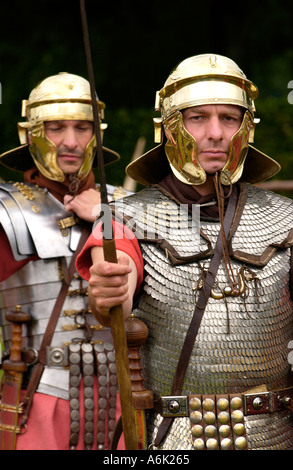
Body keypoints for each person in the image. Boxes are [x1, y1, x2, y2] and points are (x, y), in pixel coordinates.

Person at [76, 54, 293, 450]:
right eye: (197, 118)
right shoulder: (123, 217)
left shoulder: (286, 218)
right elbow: (114, 284)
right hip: (174, 438)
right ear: (170, 128)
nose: (215, 133)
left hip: (276, 433)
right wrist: (110, 292)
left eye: (229, 118)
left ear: (247, 127)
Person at [0, 72, 128, 450]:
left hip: (124, 399)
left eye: (83, 128)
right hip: (38, 396)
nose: (70, 142)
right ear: (31, 134)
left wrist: (109, 214)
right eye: (55, 128)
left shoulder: (129, 205)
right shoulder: (6, 210)